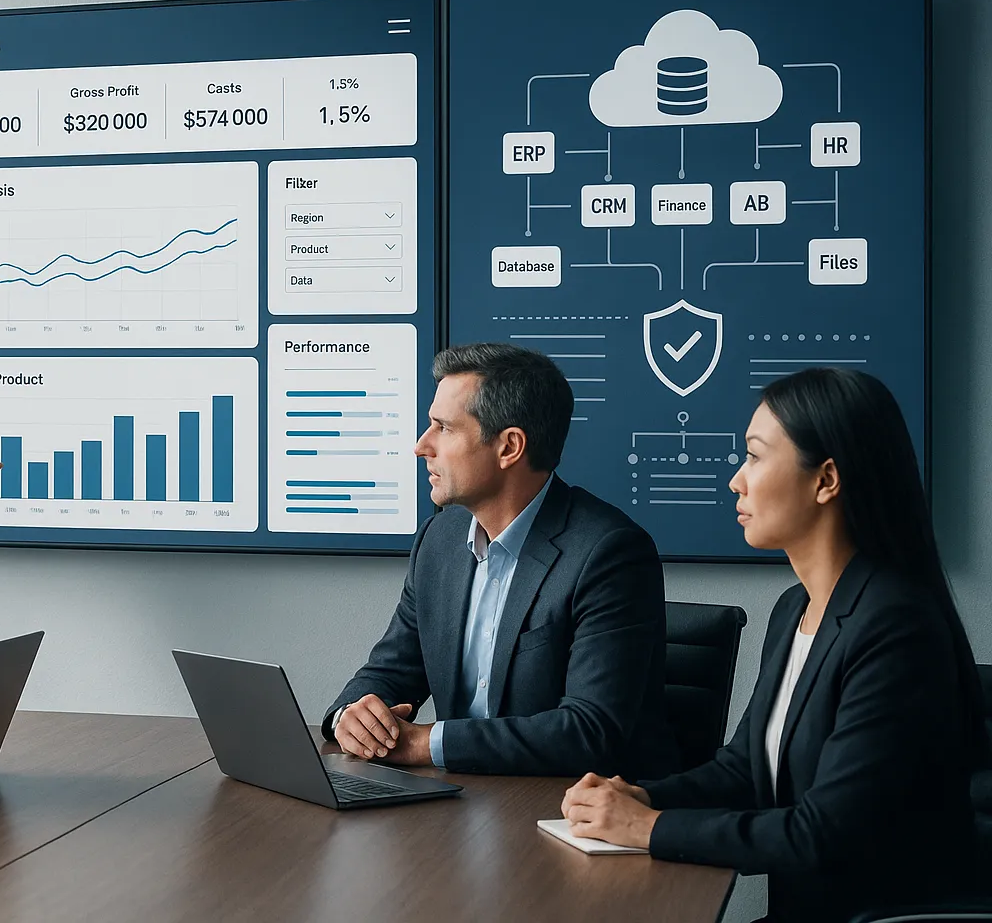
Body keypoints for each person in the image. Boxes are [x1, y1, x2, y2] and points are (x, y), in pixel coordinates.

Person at [561, 368, 985, 922]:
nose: (736, 481)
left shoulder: (896, 627)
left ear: (825, 480)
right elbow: (744, 771)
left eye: (755, 457)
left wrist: (650, 828)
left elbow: (822, 833)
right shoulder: (795, 608)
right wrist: (644, 798)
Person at [324, 343, 677, 779]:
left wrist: (424, 743)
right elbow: (389, 671)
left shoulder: (609, 552)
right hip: (464, 795)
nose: (421, 446)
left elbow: (588, 731)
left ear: (509, 447)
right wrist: (350, 717)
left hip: (571, 802)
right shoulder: (439, 540)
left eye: (443, 428)